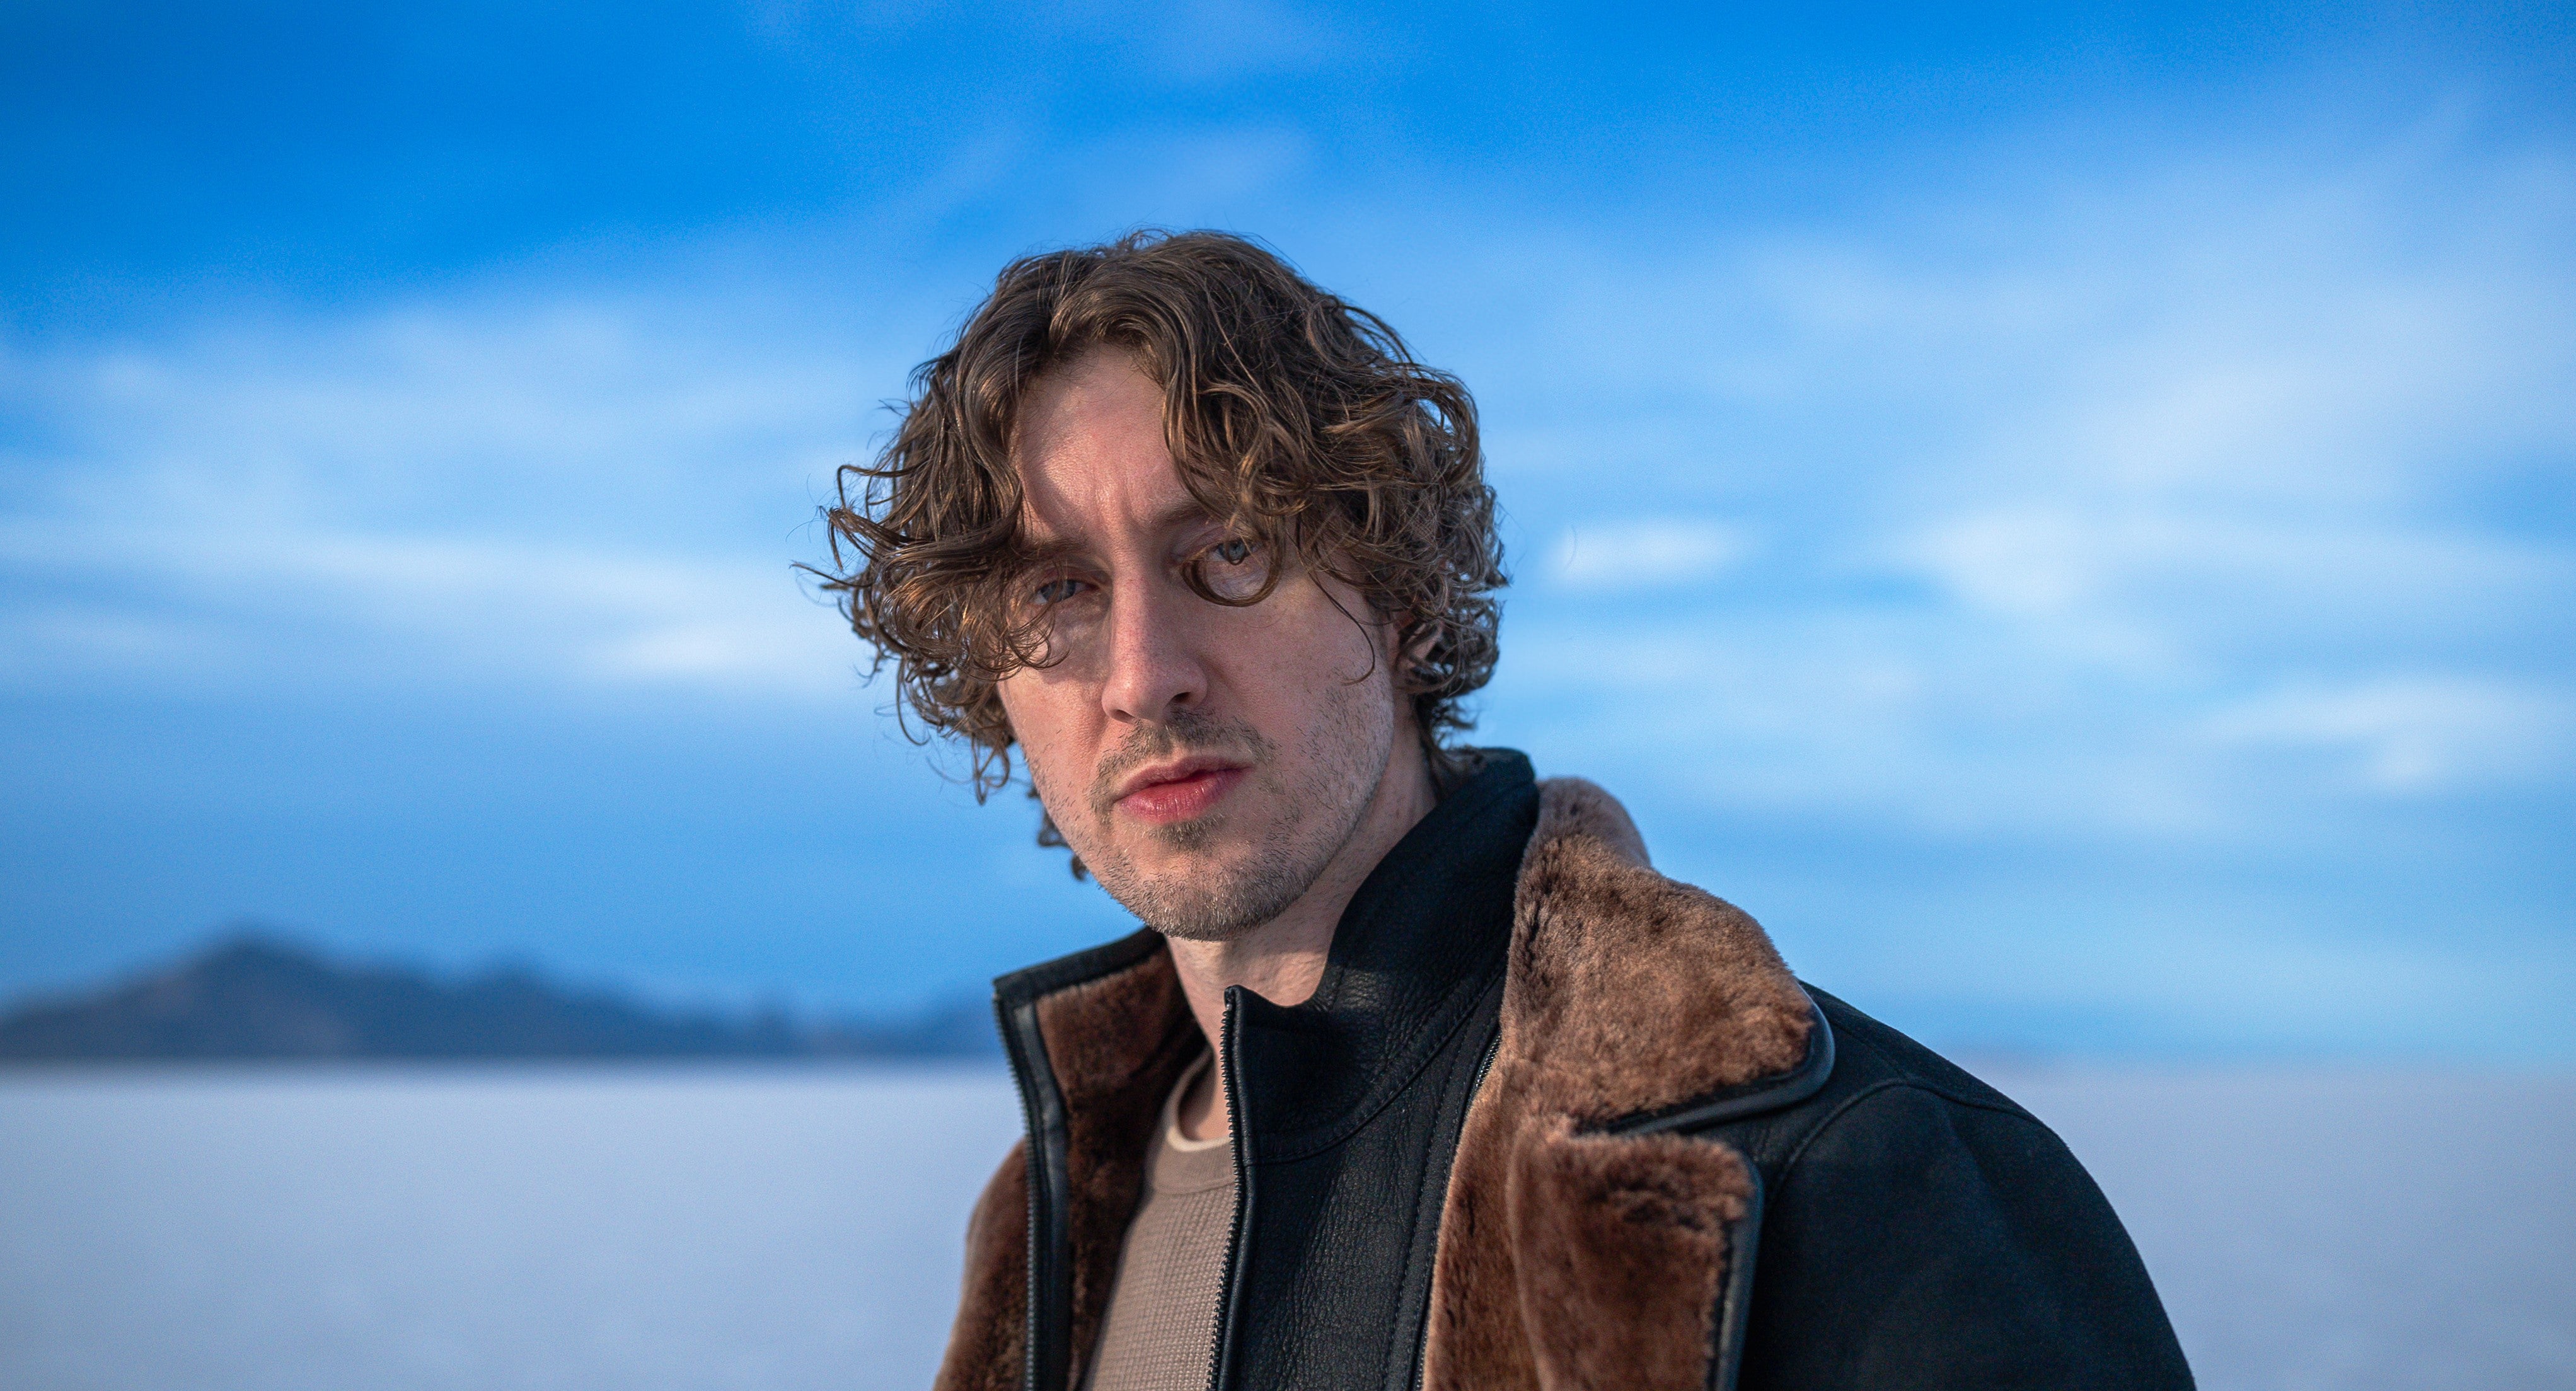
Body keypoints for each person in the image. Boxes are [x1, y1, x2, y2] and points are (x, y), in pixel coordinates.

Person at [819, 231, 2193, 1391]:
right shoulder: (1047, 1215)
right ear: (993, 682)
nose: (1142, 677)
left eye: (1228, 551)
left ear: (1397, 595)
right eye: (1058, 591)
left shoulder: (1830, 1177)